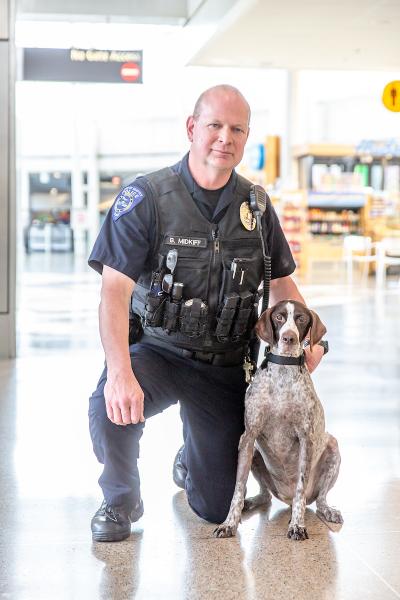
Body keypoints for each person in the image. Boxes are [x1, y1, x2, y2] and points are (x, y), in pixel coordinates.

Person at [88, 84, 326, 542]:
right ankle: (120, 499)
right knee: (109, 405)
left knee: (216, 506)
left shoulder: (255, 205)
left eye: (237, 129)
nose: (225, 137)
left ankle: (191, 457)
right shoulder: (148, 198)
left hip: (223, 364)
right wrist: (119, 370)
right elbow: (113, 292)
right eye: (215, 125)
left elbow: (280, 284)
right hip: (158, 351)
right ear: (192, 128)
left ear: (247, 136)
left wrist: (310, 339)